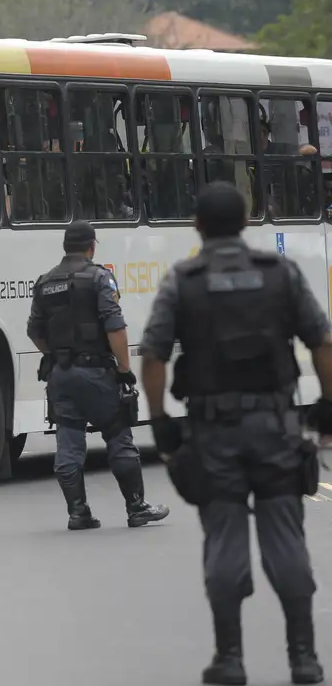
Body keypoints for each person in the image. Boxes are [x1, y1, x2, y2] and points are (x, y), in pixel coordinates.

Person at [141, 181, 330, 685]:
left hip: (213, 434)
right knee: (286, 540)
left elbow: (154, 356)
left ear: (197, 226)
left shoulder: (183, 281)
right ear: (246, 222)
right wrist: (329, 410)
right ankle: (304, 657)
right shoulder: (281, 274)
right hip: (275, 428)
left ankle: (229, 657)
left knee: (223, 541)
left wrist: (162, 426)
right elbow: (322, 341)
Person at [27, 220, 170, 530]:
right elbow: (114, 326)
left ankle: (78, 512)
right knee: (118, 434)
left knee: (68, 440)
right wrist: (124, 370)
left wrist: (56, 353)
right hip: (96, 373)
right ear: (91, 246)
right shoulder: (99, 278)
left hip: (61, 376)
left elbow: (34, 331)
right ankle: (136, 506)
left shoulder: (45, 283)